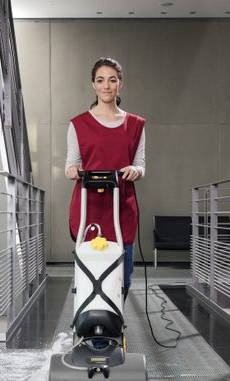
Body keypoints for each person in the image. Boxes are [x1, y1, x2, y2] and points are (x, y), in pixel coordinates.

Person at [65, 57, 146, 301]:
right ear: (93, 84)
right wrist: (72, 170)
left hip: (122, 208)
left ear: (120, 83)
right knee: (90, 274)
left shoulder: (135, 124)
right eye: (100, 80)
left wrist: (135, 170)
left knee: (123, 278)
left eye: (112, 80)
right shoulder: (78, 124)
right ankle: (90, 322)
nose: (106, 86)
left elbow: (141, 165)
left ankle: (115, 319)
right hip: (89, 208)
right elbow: (70, 164)